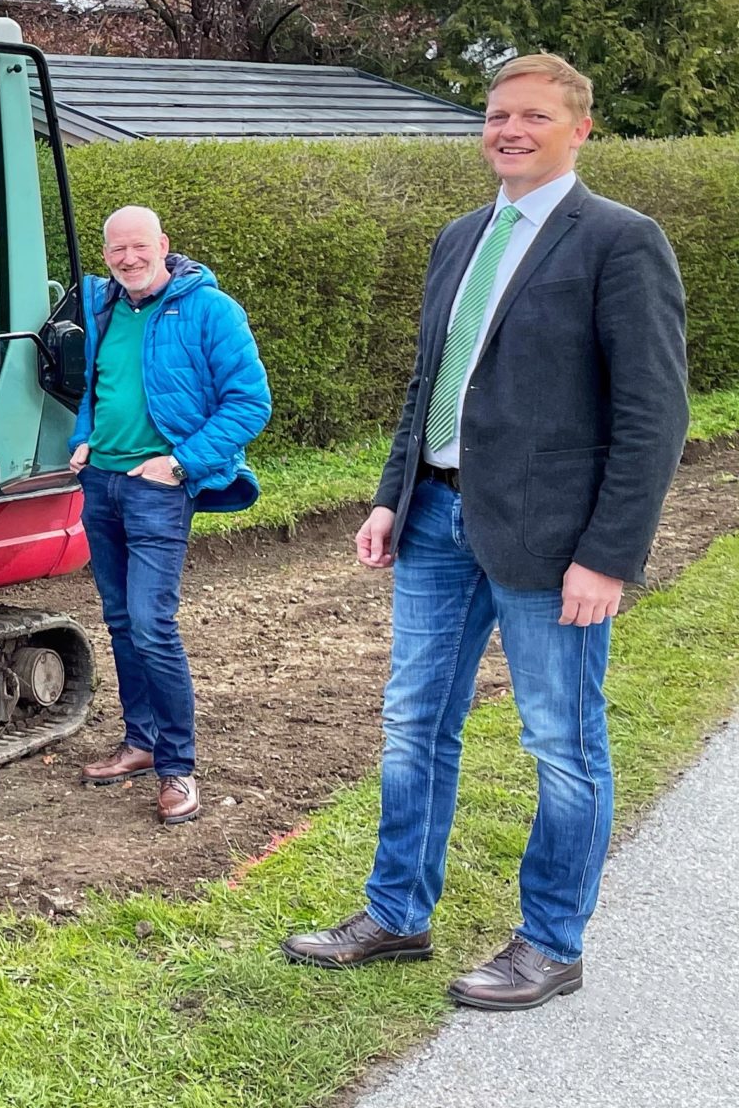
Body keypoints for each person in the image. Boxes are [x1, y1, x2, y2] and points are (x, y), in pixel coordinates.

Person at [285, 54, 686, 1009]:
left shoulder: (622, 242)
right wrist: (392, 494)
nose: (509, 129)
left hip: (554, 543)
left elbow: (652, 416)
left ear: (579, 129)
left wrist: (609, 556)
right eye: (497, 115)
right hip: (436, 519)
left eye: (533, 117)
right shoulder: (461, 237)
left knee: (562, 742)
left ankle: (552, 942)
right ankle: (395, 915)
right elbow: (431, 383)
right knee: (414, 724)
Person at [66, 206, 272, 824]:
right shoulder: (102, 306)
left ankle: (177, 768)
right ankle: (139, 742)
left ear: (163, 245)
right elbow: (95, 386)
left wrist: (180, 464)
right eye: (115, 251)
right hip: (100, 483)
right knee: (122, 620)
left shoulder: (210, 310)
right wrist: (84, 436)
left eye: (137, 247)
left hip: (157, 488)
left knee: (153, 623)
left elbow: (250, 402)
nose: (127, 259)